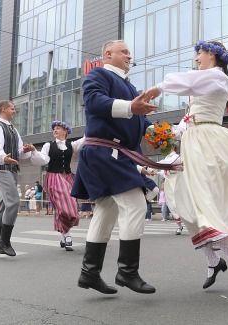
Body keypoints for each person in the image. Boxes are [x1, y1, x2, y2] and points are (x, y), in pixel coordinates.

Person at [145, 40, 228, 298]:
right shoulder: (203, 82)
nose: (196, 59)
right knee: (183, 201)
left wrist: (159, 87)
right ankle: (214, 259)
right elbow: (188, 119)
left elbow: (189, 81)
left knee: (204, 203)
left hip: (208, 141)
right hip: (193, 141)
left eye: (199, 54)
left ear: (211, 55)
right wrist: (165, 134)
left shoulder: (217, 78)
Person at [71, 39, 157, 295]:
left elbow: (141, 124)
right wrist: (131, 107)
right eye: (124, 52)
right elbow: (94, 101)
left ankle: (89, 273)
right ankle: (127, 272)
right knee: (136, 205)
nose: (130, 56)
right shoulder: (98, 73)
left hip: (111, 153)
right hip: (105, 151)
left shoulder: (129, 86)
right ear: (107, 53)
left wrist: (165, 133)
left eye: (130, 52)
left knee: (106, 210)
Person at [0, 100, 35, 256]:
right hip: (2, 168)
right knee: (13, 202)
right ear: (3, 109)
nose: (14, 111)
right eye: (12, 109)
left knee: (6, 205)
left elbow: (19, 151)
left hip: (12, 169)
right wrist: (3, 158)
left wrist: (27, 149)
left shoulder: (13, 129)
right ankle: (4, 241)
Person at [30, 121, 85, 251]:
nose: (55, 130)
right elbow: (43, 159)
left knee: (66, 208)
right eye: (54, 128)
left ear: (65, 131)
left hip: (68, 177)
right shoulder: (48, 145)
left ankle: (63, 236)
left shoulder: (71, 145)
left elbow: (86, 139)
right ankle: (67, 235)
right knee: (67, 206)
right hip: (54, 178)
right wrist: (34, 151)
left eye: (58, 128)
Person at [158, 146, 184, 234]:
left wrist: (154, 164)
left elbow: (168, 163)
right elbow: (164, 171)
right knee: (171, 204)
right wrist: (156, 171)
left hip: (176, 181)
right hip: (168, 182)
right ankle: (179, 226)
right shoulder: (167, 157)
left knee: (178, 202)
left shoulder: (176, 156)